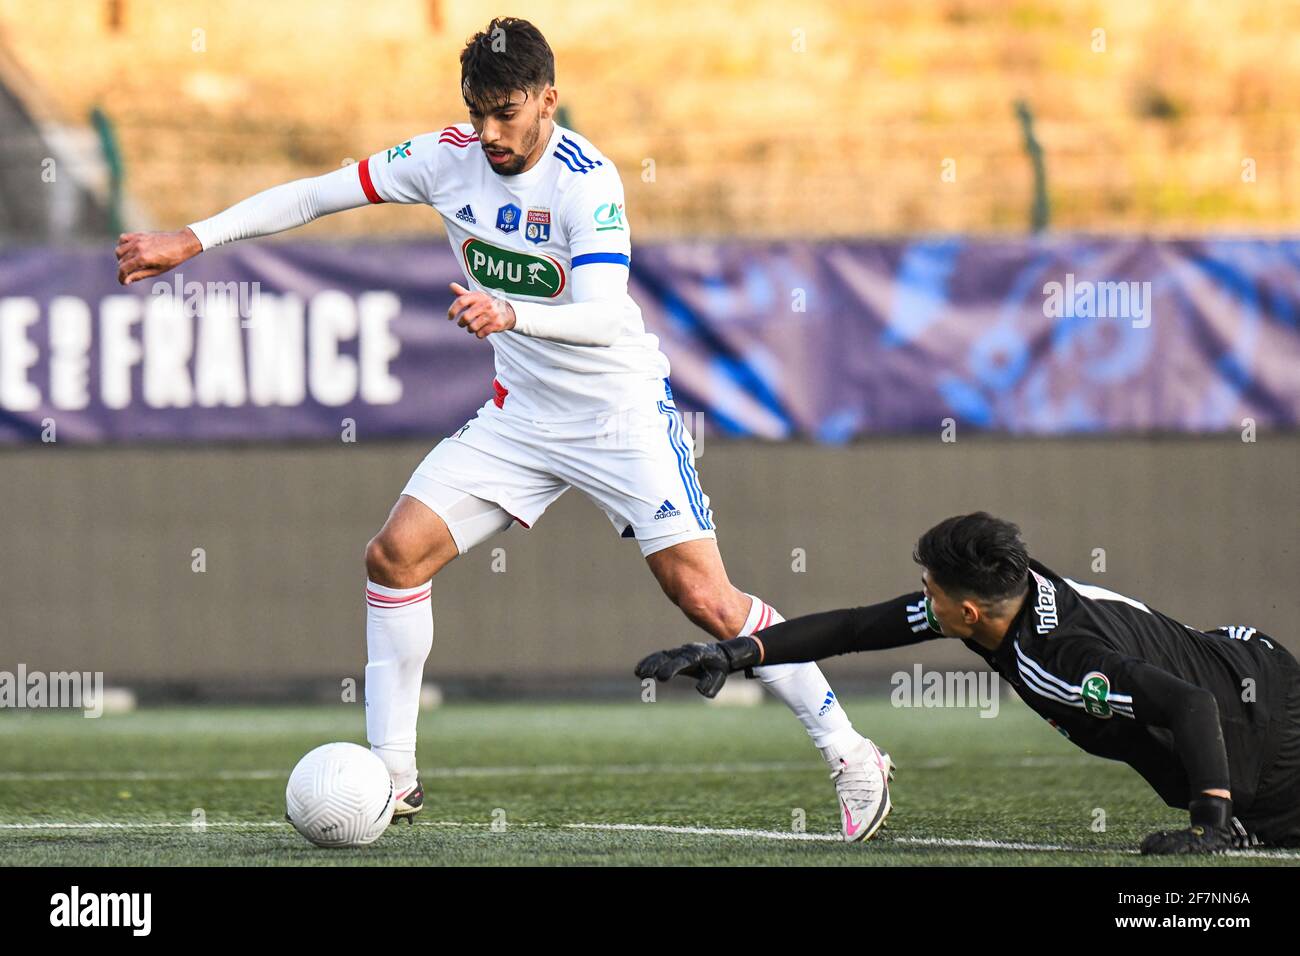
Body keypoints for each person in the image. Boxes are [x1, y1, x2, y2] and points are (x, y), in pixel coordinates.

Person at [113, 16, 891, 839]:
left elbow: (600, 316)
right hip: (522, 420)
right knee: (395, 554)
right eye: (477, 111)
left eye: (507, 112)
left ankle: (849, 749)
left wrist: (511, 311)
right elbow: (318, 192)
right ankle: (395, 776)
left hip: (617, 413)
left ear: (549, 99)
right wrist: (193, 238)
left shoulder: (587, 183)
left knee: (704, 597)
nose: (489, 133)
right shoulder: (445, 157)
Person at [637, 512, 1300, 853]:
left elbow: (1192, 704)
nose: (921, 598)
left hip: (1268, 736)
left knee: (1219, 792)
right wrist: (736, 650)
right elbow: (854, 628)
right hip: (1248, 665)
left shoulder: (1060, 658)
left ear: (970, 612)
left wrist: (1213, 819)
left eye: (930, 589)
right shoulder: (1006, 591)